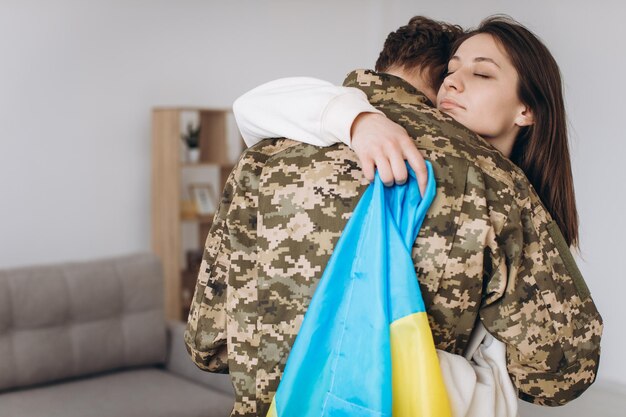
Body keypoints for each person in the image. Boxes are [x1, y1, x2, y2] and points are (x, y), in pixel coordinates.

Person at [184, 16, 603, 417]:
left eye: (482, 73)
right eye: (450, 71)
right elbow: (561, 374)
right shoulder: (495, 184)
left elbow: (209, 344)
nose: (454, 82)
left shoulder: (266, 154)